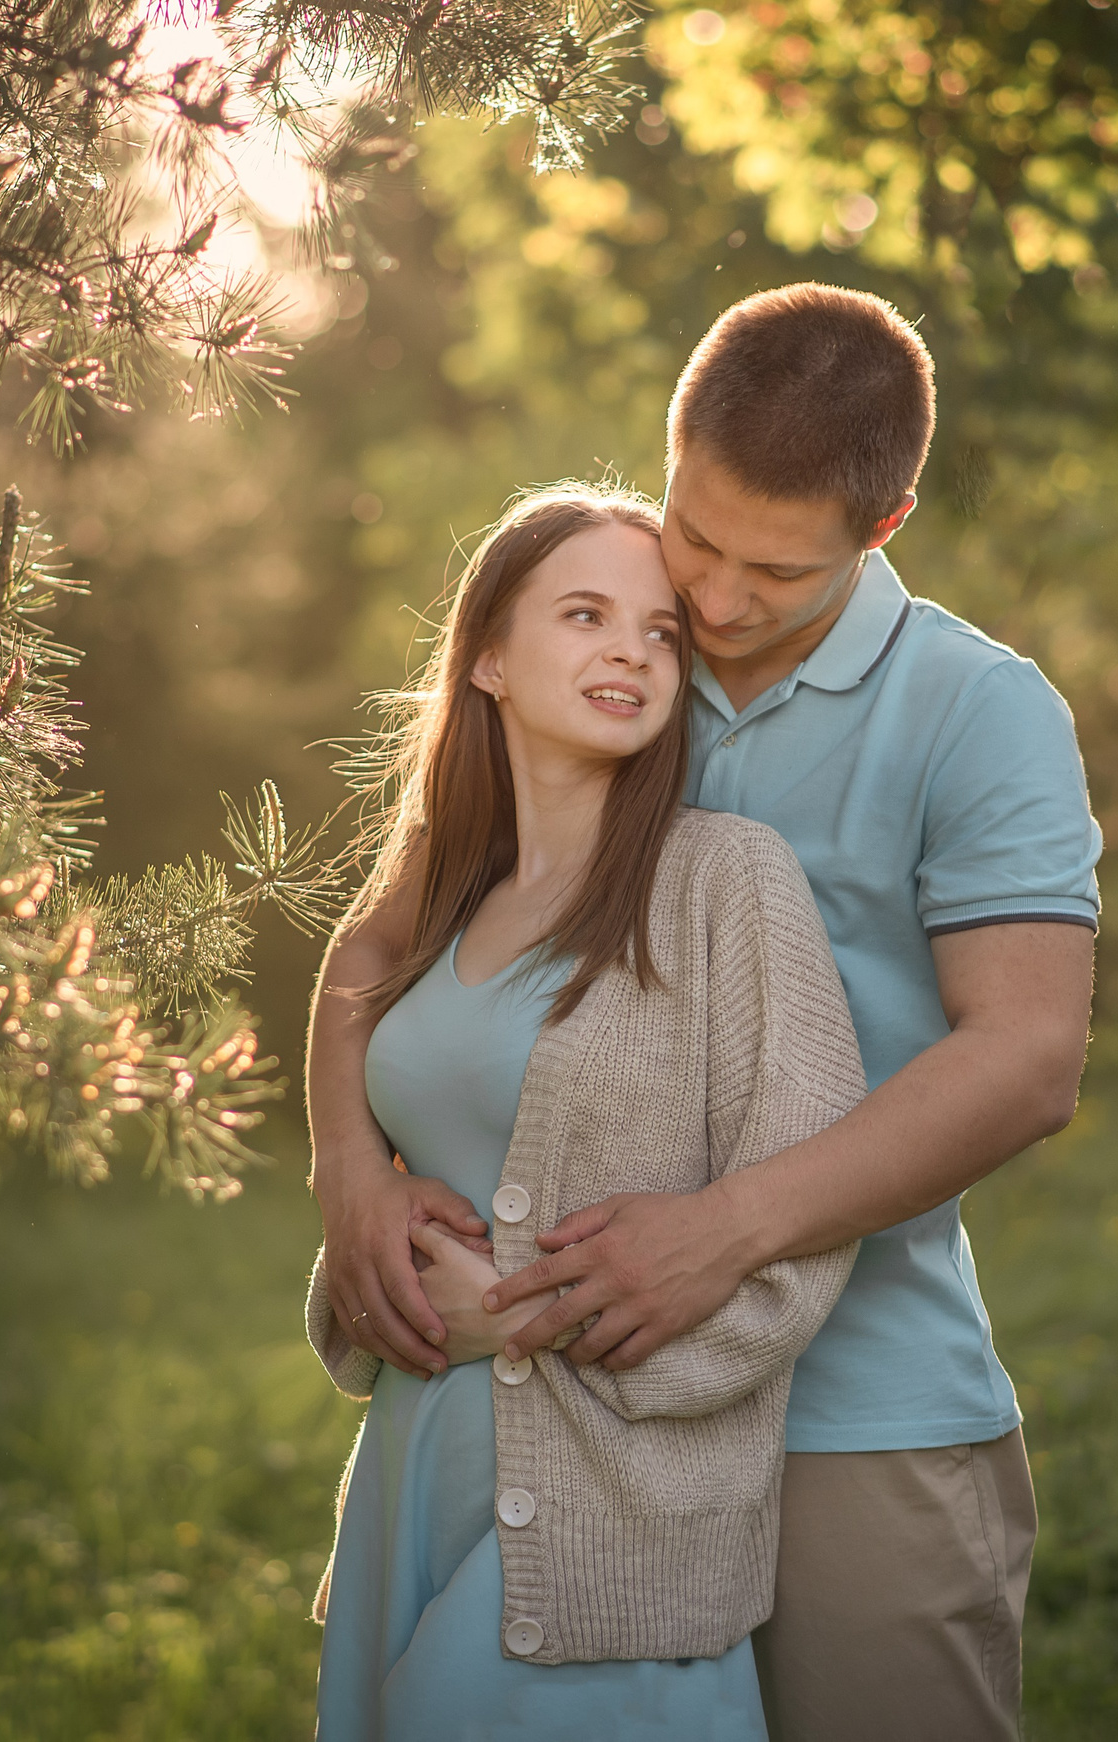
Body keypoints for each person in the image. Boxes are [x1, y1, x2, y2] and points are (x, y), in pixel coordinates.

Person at [309, 285, 1101, 1741]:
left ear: (886, 524)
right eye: (700, 538)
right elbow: (381, 942)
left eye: (777, 570)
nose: (718, 602)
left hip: (860, 1405)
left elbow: (1028, 1058)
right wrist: (352, 1170)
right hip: (581, 1409)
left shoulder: (977, 710)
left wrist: (727, 1229)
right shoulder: (614, 664)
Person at [303, 484, 869, 1740]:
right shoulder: (451, 889)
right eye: (585, 614)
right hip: (412, 1478)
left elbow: (798, 1235)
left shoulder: (725, 878)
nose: (632, 648)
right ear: (490, 658)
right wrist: (351, 1182)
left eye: (661, 631)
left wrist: (512, 1307)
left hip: (612, 1524)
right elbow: (354, 973)